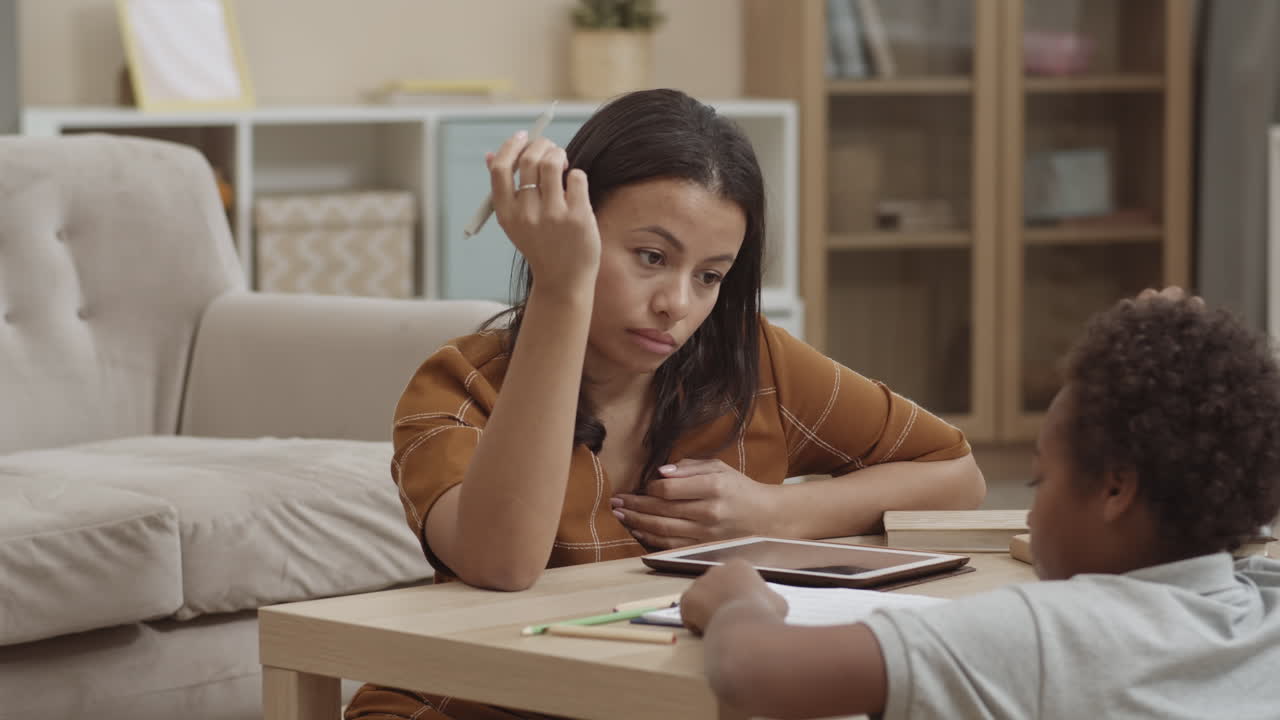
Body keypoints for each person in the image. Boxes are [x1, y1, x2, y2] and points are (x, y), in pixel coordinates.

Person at [345, 88, 984, 720]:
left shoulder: (754, 364)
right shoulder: (459, 387)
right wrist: (562, 286)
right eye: (651, 257)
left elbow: (956, 474)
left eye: (709, 276)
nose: (676, 304)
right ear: (574, 229)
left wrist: (774, 512)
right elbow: (502, 563)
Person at [681, 287, 1280, 720]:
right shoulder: (1264, 607)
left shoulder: (1043, 633)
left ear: (1116, 491)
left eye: (1041, 480)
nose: (1032, 513)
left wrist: (739, 599)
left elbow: (754, 673)